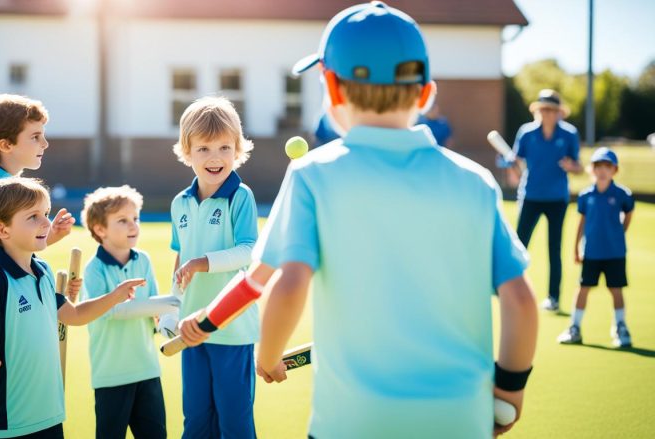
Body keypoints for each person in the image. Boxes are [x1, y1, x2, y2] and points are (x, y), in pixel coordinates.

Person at [179, 3, 538, 437]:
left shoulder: (312, 175)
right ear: (426, 93)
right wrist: (509, 392)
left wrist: (263, 353)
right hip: (457, 420)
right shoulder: (476, 182)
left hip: (349, 421)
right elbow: (519, 300)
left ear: (330, 88)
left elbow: (274, 283)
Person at [0, 177, 146, 439]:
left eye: (46, 213)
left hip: (49, 413)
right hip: (9, 420)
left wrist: (115, 295)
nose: (46, 222)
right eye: (33, 216)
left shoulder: (43, 271)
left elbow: (75, 315)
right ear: (2, 230)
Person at [170, 95, 259, 438]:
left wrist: (202, 263)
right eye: (204, 148)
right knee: (195, 422)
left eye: (224, 147)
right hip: (191, 330)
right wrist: (169, 311)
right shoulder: (180, 203)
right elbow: (180, 261)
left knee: (234, 425)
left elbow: (249, 251)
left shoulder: (241, 196)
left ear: (237, 150)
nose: (215, 158)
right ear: (187, 151)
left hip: (232, 329)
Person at [80, 185, 180, 439]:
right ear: (100, 229)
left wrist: (169, 323)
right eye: (122, 221)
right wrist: (172, 302)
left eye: (135, 218)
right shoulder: (94, 269)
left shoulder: (143, 260)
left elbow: (156, 310)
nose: (133, 225)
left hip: (147, 370)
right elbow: (109, 311)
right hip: (111, 375)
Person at [0, 94, 74, 313]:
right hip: (0, 313)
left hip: (2, 306)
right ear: (6, 145)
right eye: (35, 136)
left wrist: (52, 235)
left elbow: (12, 246)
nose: (45, 143)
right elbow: (9, 255)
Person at [505, 89, 583, 311]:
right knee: (519, 245)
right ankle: (510, 291)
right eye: (543, 109)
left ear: (559, 113)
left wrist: (571, 166)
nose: (546, 113)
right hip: (531, 196)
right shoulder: (526, 133)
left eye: (551, 109)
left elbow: (578, 166)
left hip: (557, 198)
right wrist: (510, 167)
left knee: (554, 248)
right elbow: (516, 163)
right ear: (537, 111)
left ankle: (553, 297)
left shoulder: (569, 134)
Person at [557, 147, 634, 347]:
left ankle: (620, 327)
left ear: (614, 170)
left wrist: (620, 232)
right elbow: (581, 223)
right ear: (592, 169)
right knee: (583, 288)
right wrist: (576, 248)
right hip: (591, 252)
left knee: (616, 289)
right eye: (598, 166)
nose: (602, 170)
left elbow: (629, 213)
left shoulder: (621, 194)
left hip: (615, 253)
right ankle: (575, 328)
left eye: (607, 166)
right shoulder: (585, 196)